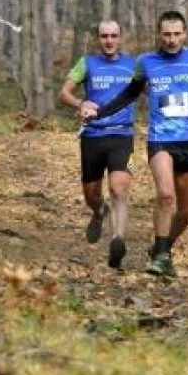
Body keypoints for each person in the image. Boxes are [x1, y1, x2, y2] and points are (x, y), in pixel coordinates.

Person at [81, 10, 188, 277]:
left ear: (184, 34)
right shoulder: (146, 62)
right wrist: (99, 112)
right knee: (166, 195)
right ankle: (163, 257)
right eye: (166, 34)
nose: (172, 40)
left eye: (177, 34)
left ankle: (160, 248)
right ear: (159, 34)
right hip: (160, 139)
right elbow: (128, 94)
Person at [58, 20, 136, 269]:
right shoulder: (87, 64)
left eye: (114, 36)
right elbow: (64, 93)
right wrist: (80, 104)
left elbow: (149, 89)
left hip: (121, 134)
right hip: (92, 136)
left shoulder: (133, 65)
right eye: (104, 36)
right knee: (92, 194)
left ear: (121, 38)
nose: (109, 41)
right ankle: (99, 210)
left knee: (118, 189)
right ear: (98, 39)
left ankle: (117, 240)